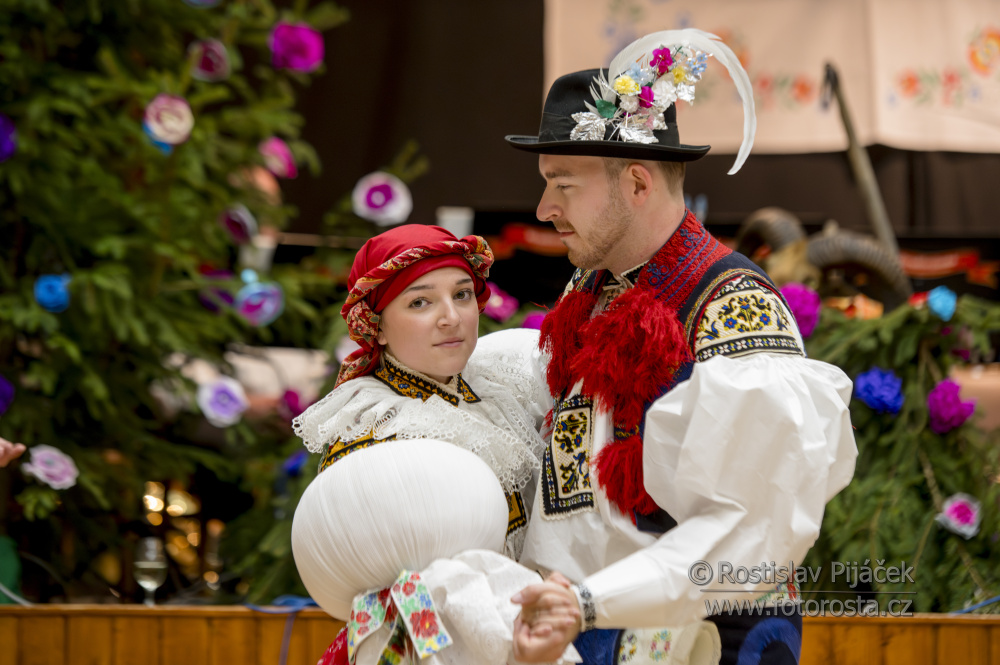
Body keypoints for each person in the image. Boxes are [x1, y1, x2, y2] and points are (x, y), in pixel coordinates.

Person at [502, 29, 858, 665]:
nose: (544, 207)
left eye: (563, 184)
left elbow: (749, 529)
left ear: (638, 184)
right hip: (583, 627)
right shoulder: (590, 286)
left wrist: (594, 601)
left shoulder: (734, 308)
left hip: (698, 639)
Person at [291, 225, 586, 665]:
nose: (451, 317)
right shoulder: (374, 423)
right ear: (377, 326)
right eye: (420, 302)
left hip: (525, 628)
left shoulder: (500, 391)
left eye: (462, 294)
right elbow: (391, 580)